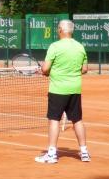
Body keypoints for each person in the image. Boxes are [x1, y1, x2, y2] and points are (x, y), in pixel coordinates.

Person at [35, 19, 90, 163]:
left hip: (58, 90)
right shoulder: (80, 47)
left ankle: (51, 154)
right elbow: (84, 69)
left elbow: (45, 68)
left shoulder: (55, 46)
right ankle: (84, 152)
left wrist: (44, 71)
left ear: (60, 29)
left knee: (54, 120)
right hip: (75, 89)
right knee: (77, 120)